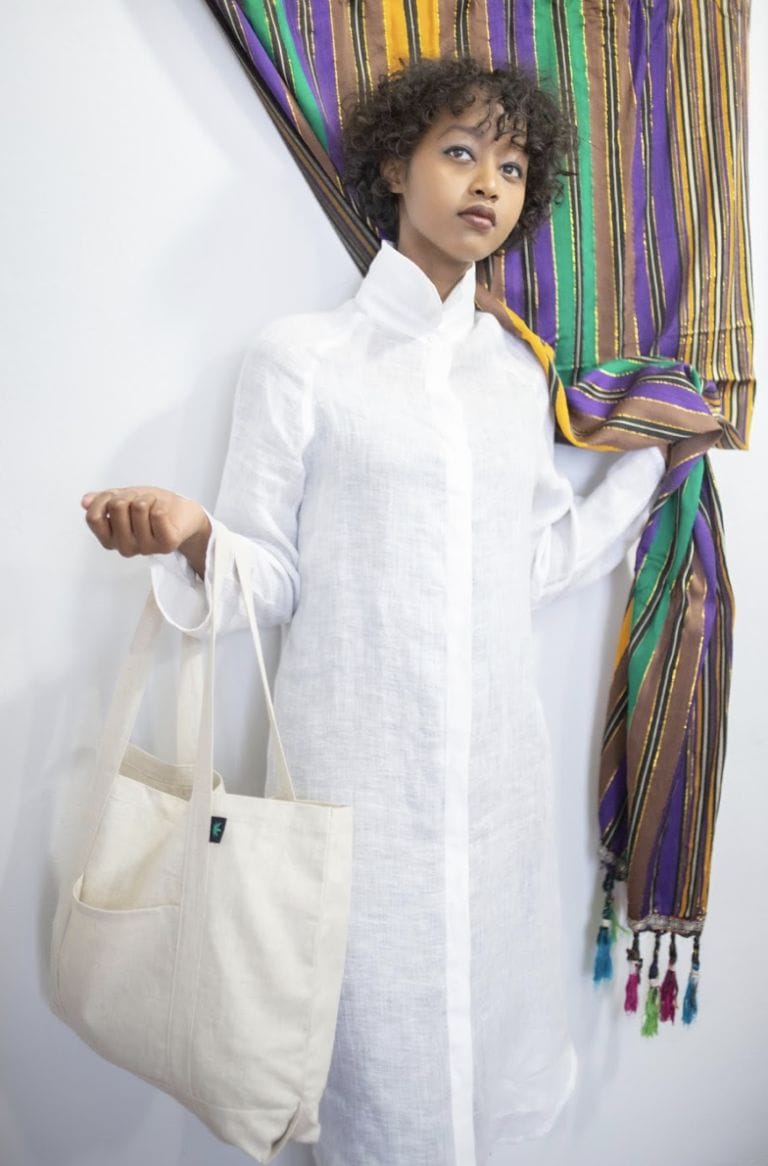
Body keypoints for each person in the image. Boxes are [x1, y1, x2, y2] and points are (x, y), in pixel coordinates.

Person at [80, 57, 665, 1166]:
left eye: (512, 168)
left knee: (486, 1069)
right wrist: (192, 533)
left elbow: (531, 564)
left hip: (496, 800)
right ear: (396, 164)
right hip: (358, 803)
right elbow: (272, 574)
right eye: (461, 152)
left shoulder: (512, 378)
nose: (487, 184)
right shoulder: (304, 361)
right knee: (368, 1083)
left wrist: (649, 467)